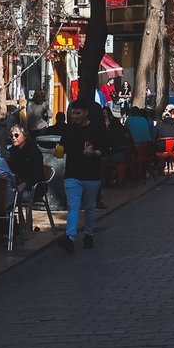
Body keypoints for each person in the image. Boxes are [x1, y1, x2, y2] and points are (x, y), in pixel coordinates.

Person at [43, 100, 113, 252]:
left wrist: (94, 152)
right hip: (72, 174)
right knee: (73, 206)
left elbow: (105, 151)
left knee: (89, 207)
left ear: (86, 113)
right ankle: (70, 237)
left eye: (77, 113)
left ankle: (88, 234)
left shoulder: (96, 130)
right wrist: (58, 151)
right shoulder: (69, 130)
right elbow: (61, 148)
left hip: (91, 175)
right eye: (72, 113)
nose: (74, 116)